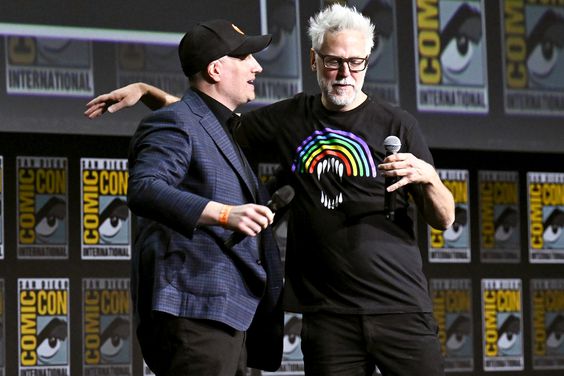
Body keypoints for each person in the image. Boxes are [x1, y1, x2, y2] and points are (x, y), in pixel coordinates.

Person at [86, 5, 455, 376]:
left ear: (367, 63)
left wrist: (431, 180)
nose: (345, 73)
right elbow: (204, 119)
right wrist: (148, 93)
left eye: (356, 62)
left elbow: (445, 218)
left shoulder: (399, 125)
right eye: (333, 61)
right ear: (314, 60)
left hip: (401, 308)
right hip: (328, 318)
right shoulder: (290, 118)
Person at [121, 19, 284, 376]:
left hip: (226, 315)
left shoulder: (210, 123)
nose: (257, 66)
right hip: (195, 313)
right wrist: (226, 214)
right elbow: (145, 188)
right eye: (245, 58)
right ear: (215, 69)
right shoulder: (175, 122)